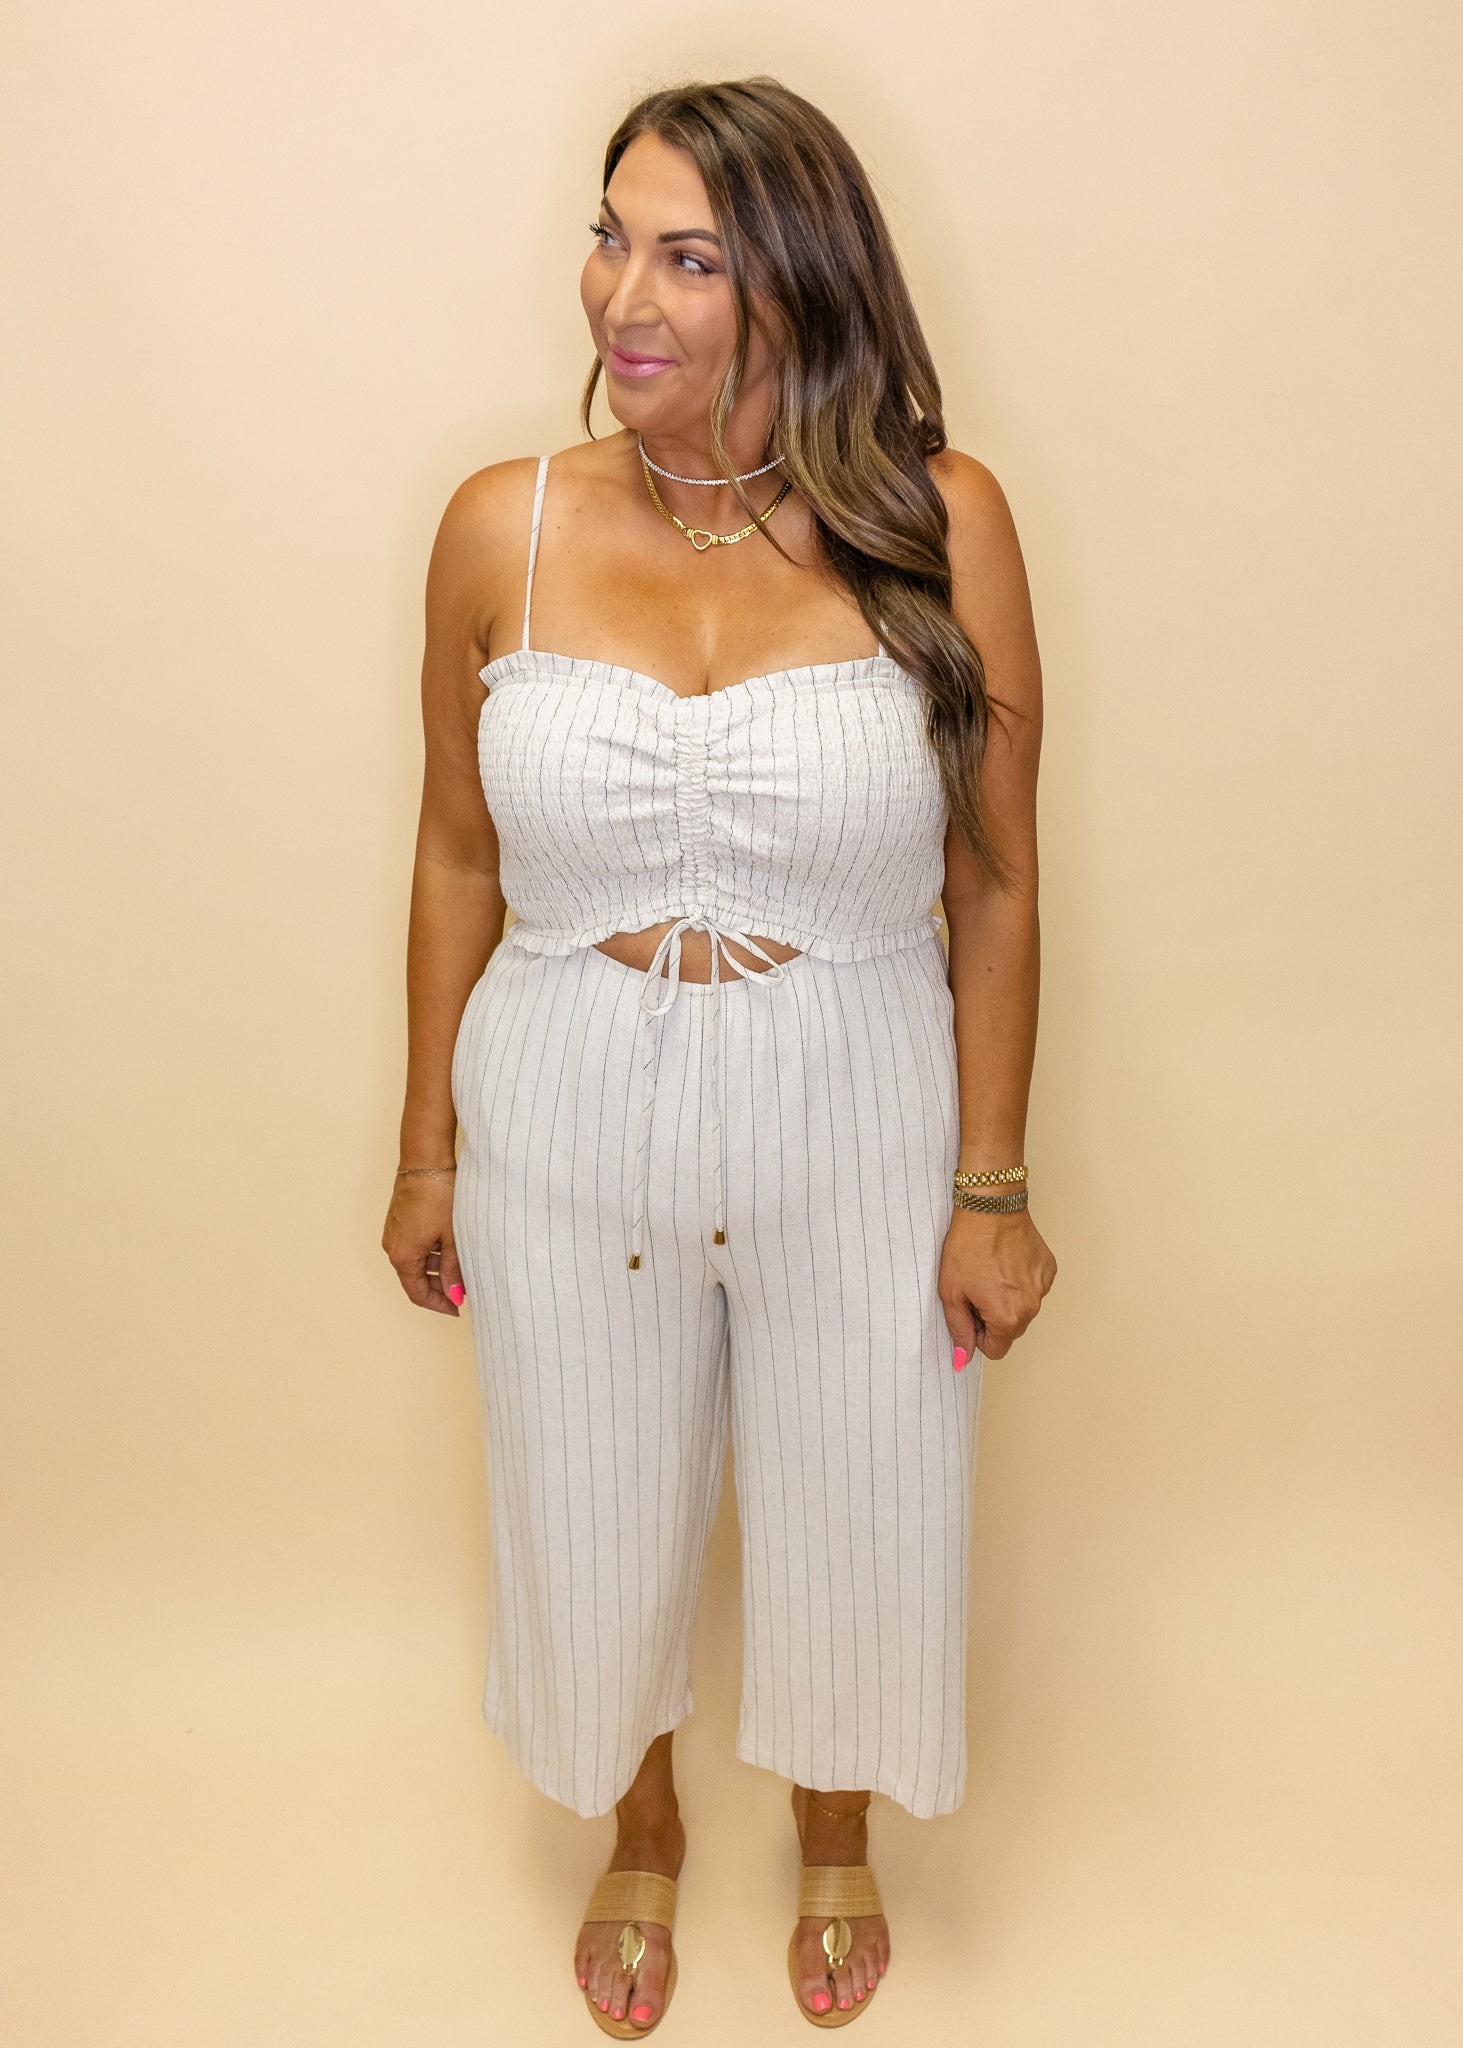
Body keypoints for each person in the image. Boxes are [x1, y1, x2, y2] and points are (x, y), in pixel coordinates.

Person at [382, 74, 1056, 2036]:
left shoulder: (943, 519)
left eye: (688, 256)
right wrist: (424, 1150)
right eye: (611, 239)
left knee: (869, 1484)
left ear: (801, 282)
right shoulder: (499, 529)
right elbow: (452, 851)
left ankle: (836, 1829)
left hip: (859, 1087)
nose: (624, 296)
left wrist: (992, 1185)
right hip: (563, 1097)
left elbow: (997, 876)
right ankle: (645, 1825)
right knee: (585, 1494)